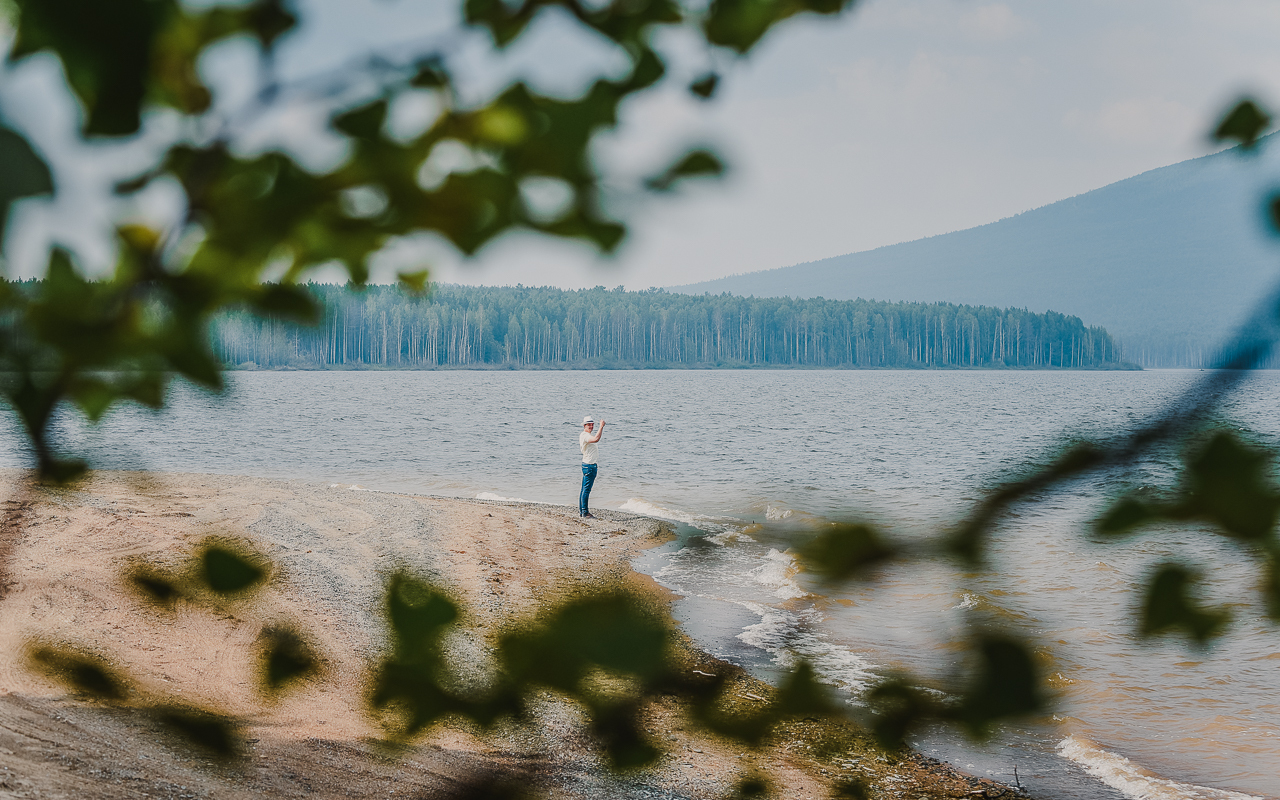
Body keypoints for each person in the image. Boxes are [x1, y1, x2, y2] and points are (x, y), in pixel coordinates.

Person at [579, 415, 604, 518]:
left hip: (589, 465)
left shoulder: (586, 435)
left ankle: (582, 511)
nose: (591, 426)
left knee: (584, 489)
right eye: (589, 425)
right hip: (589, 465)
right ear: (585, 425)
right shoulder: (585, 435)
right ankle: (585, 512)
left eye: (592, 425)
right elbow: (596, 439)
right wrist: (601, 427)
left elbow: (595, 438)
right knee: (586, 489)